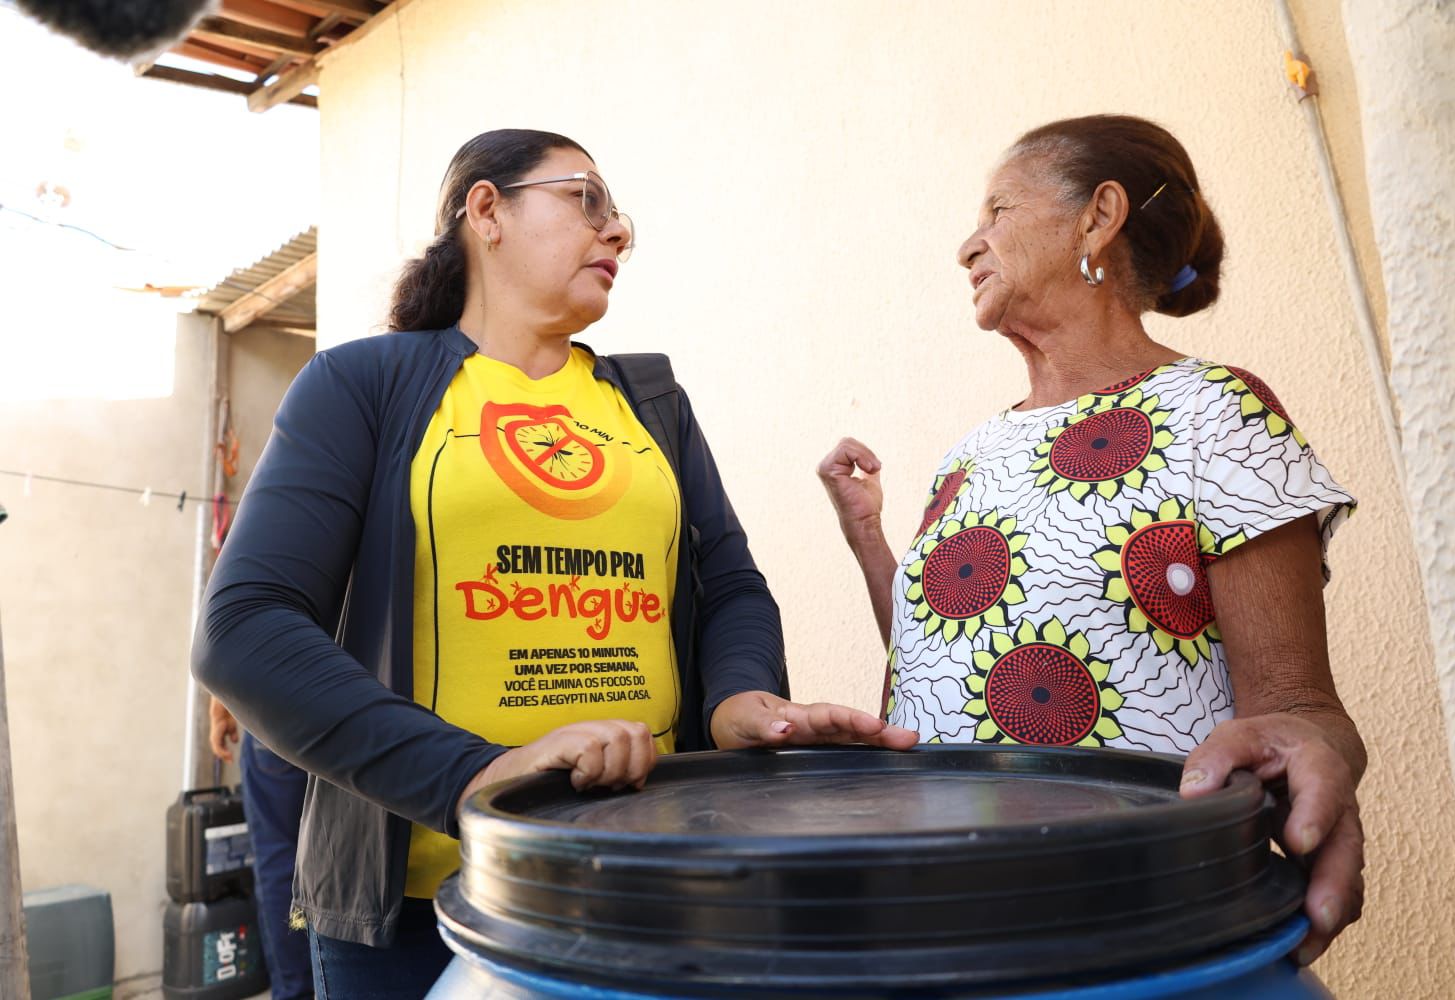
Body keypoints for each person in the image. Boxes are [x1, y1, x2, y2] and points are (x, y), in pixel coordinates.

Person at [193, 128, 917, 1000]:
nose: (618, 232)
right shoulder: (364, 385)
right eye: (587, 199)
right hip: (420, 910)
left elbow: (728, 583)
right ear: (487, 211)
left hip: (647, 876)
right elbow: (246, 627)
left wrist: (736, 699)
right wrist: (478, 772)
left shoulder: (650, 401)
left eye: (620, 216)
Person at [818, 115, 1365, 967]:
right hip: (941, 924)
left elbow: (1297, 708)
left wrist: (1315, 751)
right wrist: (869, 543)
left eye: (998, 209)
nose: (969, 244)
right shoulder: (975, 450)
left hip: (1133, 920)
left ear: (1097, 217)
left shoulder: (1216, 411)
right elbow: (953, 665)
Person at [207, 696, 313, 1000]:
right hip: (364, 706)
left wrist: (220, 703)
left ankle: (298, 991)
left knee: (281, 859)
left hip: (278, 711)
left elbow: (222, 648)